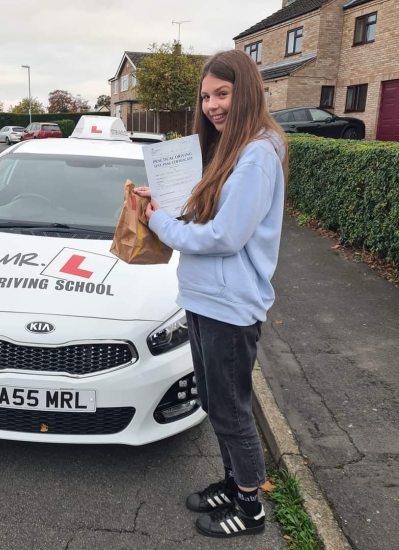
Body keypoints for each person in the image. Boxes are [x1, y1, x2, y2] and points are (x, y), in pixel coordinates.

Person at [134, 49, 288, 539]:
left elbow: (225, 236)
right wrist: (161, 205)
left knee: (231, 408)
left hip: (229, 304)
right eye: (205, 96)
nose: (212, 105)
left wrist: (158, 221)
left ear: (247, 91)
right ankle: (232, 482)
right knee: (214, 401)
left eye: (222, 93)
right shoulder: (228, 148)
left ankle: (250, 508)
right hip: (203, 298)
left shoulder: (258, 153)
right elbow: (203, 216)